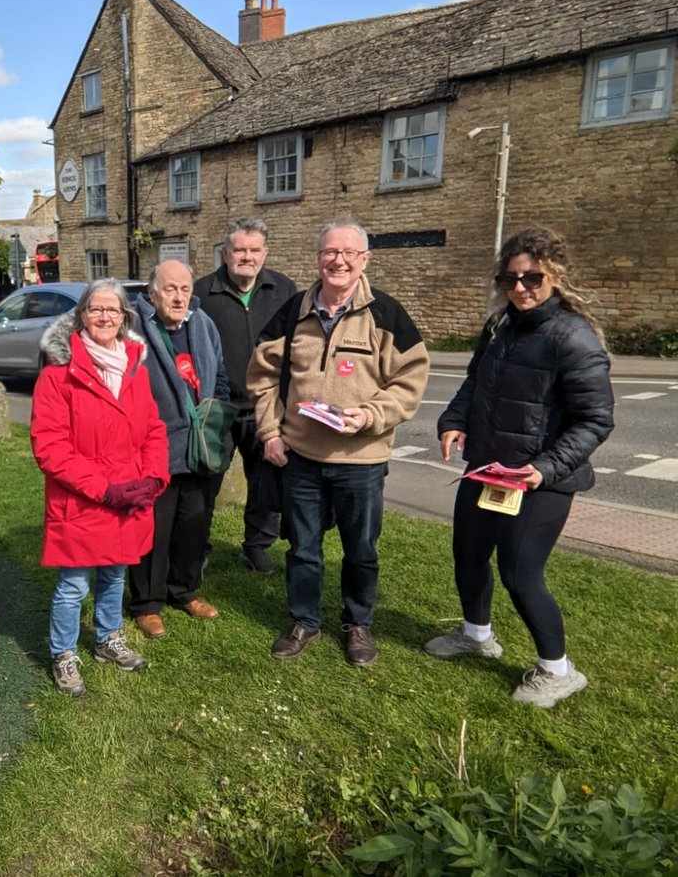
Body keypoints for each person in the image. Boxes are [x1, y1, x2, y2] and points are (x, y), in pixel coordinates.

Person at [428, 226, 614, 708]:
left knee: (520, 573)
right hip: (487, 468)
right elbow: (473, 386)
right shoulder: (499, 327)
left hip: (540, 482)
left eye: (532, 278)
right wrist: (452, 421)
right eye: (509, 279)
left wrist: (544, 469)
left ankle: (558, 669)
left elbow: (595, 419)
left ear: (554, 276)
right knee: (468, 555)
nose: (520, 288)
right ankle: (476, 635)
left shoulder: (573, 337)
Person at [248, 218, 429, 667]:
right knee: (303, 548)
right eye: (330, 252)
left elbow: (409, 381)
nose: (339, 261)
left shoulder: (386, 314)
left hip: (361, 460)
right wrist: (270, 432)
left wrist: (370, 415)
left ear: (365, 260)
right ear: (318, 258)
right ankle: (305, 621)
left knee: (361, 550)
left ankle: (358, 623)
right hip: (302, 458)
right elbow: (262, 376)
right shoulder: (293, 312)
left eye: (350, 253)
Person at [31, 279, 169, 696]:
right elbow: (50, 447)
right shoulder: (58, 374)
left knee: (115, 575)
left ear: (125, 318)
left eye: (113, 310)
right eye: (96, 309)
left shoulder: (134, 368)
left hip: (128, 496)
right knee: (73, 585)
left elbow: (153, 430)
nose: (105, 317)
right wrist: (105, 489)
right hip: (83, 499)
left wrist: (153, 477)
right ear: (82, 316)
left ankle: (108, 638)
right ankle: (64, 654)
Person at [128, 260, 231, 638]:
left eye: (184, 289)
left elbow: (219, 375)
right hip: (155, 447)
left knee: (194, 524)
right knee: (153, 529)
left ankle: (184, 591)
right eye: (170, 289)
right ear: (152, 292)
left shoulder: (202, 324)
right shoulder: (135, 328)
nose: (178, 296)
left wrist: (214, 416)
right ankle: (146, 603)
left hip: (201, 445)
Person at [194, 217, 296, 574]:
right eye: (240, 250)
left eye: (255, 250)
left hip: (265, 406)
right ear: (225, 253)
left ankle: (256, 546)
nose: (247, 257)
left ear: (265, 254)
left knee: (266, 482)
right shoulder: (202, 292)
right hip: (217, 404)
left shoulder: (284, 290)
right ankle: (198, 546)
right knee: (205, 480)